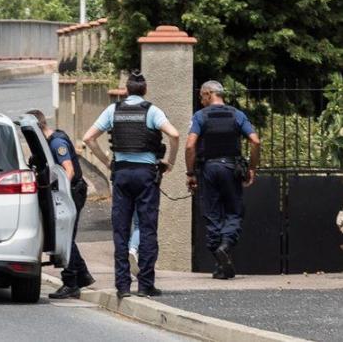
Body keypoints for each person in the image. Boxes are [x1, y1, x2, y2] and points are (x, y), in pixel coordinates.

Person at [82, 71, 179, 299]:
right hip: (146, 175)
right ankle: (146, 284)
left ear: (126, 90)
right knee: (147, 228)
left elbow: (88, 138)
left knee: (121, 229)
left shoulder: (113, 110)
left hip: (122, 173)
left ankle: (123, 286)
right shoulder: (151, 111)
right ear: (144, 90)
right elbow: (174, 135)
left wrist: (108, 163)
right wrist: (169, 163)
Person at [185, 80, 260, 279]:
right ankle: (225, 248)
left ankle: (220, 262)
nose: (201, 101)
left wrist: (190, 173)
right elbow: (255, 140)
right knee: (234, 211)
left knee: (212, 214)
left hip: (208, 169)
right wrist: (252, 167)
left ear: (209, 94)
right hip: (231, 168)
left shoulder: (200, 116)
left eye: (202, 96)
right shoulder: (237, 115)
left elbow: (190, 146)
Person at [27, 109, 94, 299]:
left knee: (64, 237)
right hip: (69, 192)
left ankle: (71, 283)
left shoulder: (57, 143)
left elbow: (69, 170)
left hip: (72, 193)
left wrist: (60, 194)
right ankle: (82, 275)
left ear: (39, 128)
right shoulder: (49, 143)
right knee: (65, 236)